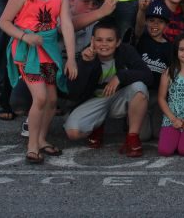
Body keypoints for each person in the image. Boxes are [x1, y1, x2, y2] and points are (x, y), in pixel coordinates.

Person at [0, 0, 78, 164]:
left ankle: (42, 139)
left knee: (52, 100)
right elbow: (4, 22)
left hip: (49, 50)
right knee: (41, 98)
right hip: (27, 51)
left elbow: (68, 26)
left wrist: (70, 58)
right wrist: (25, 37)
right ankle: (32, 145)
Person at [64, 18, 152, 157]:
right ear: (92, 40)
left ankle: (132, 137)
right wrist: (85, 65)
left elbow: (148, 76)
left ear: (117, 42)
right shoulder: (85, 55)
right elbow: (73, 93)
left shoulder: (126, 50)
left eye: (109, 40)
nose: (104, 44)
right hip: (94, 101)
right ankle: (97, 125)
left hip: (118, 97)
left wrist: (120, 77)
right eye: (99, 40)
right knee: (73, 133)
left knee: (139, 87)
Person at [133, 0, 176, 140]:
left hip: (159, 97)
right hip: (141, 94)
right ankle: (132, 118)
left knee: (158, 134)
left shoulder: (170, 47)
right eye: (151, 20)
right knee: (143, 136)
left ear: (166, 25)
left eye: (160, 21)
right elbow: (138, 28)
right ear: (146, 22)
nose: (155, 24)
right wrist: (141, 10)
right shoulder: (142, 38)